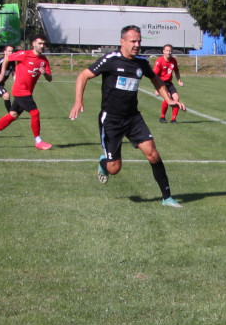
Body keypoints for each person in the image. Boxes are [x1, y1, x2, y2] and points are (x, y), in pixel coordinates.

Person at [69, 25, 186, 207]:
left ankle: (167, 197)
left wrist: (168, 99)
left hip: (133, 118)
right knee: (114, 168)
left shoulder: (141, 62)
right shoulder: (111, 60)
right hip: (111, 120)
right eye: (133, 41)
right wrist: (78, 101)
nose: (137, 44)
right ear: (122, 42)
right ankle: (104, 163)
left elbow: (155, 79)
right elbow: (83, 76)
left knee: (153, 154)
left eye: (139, 41)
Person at [0, 37, 53, 150]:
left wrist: (44, 73)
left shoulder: (44, 60)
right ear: (33, 44)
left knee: (13, 115)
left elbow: (50, 78)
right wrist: (1, 74)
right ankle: (38, 141)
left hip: (27, 91)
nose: (42, 46)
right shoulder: (24, 54)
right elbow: (7, 59)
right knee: (35, 113)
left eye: (43, 44)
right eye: (39, 43)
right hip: (20, 91)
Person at [152, 44, 184, 123]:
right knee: (168, 97)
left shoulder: (173, 61)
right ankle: (162, 117)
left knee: (176, 98)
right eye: (167, 51)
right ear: (163, 51)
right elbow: (154, 76)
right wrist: (156, 89)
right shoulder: (159, 61)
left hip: (169, 83)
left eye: (170, 51)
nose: (169, 52)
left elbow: (176, 71)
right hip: (161, 83)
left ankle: (173, 119)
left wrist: (179, 81)